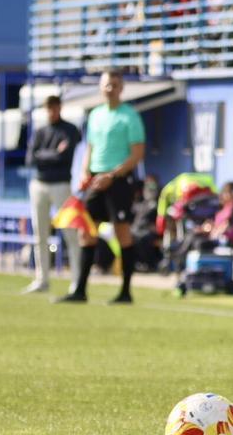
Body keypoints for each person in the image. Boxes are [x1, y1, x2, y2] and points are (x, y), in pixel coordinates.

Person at [56, 70, 146, 305]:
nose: (110, 89)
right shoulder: (95, 115)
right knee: (86, 232)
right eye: (107, 84)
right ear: (100, 87)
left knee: (122, 233)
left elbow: (137, 154)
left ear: (121, 88)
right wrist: (85, 172)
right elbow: (90, 148)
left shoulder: (129, 117)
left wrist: (112, 175)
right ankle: (80, 289)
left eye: (115, 85)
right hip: (96, 179)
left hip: (119, 180)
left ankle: (126, 292)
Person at [25, 95, 82, 294]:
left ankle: (76, 281)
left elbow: (65, 156)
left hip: (61, 185)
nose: (51, 111)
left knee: (70, 233)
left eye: (54, 107)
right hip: (39, 184)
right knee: (40, 233)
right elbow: (31, 158)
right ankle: (42, 279)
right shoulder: (40, 132)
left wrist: (46, 155)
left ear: (60, 108)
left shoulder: (70, 130)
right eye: (48, 108)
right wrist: (53, 154)